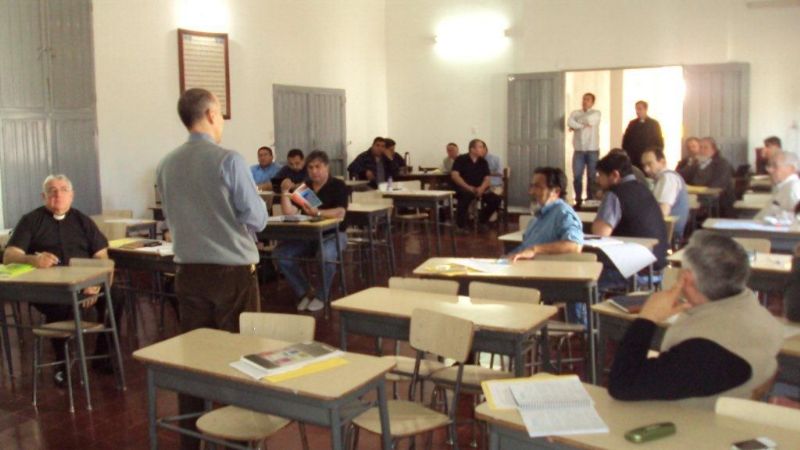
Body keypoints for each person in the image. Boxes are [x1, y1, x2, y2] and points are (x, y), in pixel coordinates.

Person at [157, 88, 267, 450]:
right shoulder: (228, 160)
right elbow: (257, 217)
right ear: (210, 114)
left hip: (188, 270)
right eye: (220, 114)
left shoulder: (167, 163)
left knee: (197, 355)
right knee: (242, 355)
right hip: (230, 272)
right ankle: (240, 433)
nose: (221, 121)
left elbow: (171, 216)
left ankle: (192, 435)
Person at [608, 231, 783, 409]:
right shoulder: (760, 313)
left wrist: (647, 318)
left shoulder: (704, 351)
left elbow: (622, 385)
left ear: (686, 278)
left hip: (692, 424)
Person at [3, 174, 117, 387]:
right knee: (61, 306)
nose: (58, 194)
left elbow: (102, 257)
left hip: (88, 285)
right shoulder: (30, 220)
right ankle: (62, 364)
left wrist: (97, 285)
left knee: (116, 298)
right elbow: (9, 256)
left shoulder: (83, 221)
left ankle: (103, 356)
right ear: (43, 196)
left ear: (72, 195)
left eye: (64, 189)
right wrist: (34, 259)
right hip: (50, 289)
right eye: (52, 190)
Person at [275, 150, 348, 312]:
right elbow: (289, 212)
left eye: (318, 167)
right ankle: (305, 292)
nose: (314, 171)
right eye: (310, 168)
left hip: (334, 234)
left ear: (326, 167)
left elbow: (340, 212)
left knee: (326, 255)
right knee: (281, 254)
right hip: (309, 235)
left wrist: (319, 213)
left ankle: (322, 295)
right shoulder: (305, 187)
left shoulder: (338, 185)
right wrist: (285, 193)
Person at [592, 151, 669, 291]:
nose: (597, 180)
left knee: (583, 278)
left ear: (614, 175)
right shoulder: (643, 189)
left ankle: (581, 314)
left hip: (633, 271)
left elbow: (600, 234)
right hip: (657, 267)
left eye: (600, 175)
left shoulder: (614, 194)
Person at [451, 139, 501, 232]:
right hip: (464, 188)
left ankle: (481, 221)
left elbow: (487, 179)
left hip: (479, 189)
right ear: (472, 149)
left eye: (483, 147)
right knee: (466, 196)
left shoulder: (483, 162)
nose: (483, 149)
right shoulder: (461, 159)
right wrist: (469, 187)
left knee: (496, 200)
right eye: (480, 147)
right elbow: (455, 176)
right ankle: (460, 225)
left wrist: (481, 188)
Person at [641, 147, 690, 240]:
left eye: (649, 164)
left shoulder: (667, 178)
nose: (646, 169)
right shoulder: (662, 178)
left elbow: (663, 212)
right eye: (644, 165)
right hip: (664, 229)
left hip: (669, 232)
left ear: (662, 162)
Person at [679, 137, 736, 217]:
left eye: (705, 148)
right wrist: (691, 164)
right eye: (700, 147)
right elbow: (681, 176)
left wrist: (700, 194)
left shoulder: (722, 164)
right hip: (697, 196)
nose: (702, 150)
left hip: (718, 201)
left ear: (714, 149)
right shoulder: (697, 163)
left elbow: (718, 184)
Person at [568, 93, 601, 206]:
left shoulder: (596, 113)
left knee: (592, 176)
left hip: (592, 149)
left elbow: (590, 120)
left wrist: (577, 124)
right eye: (584, 99)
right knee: (577, 176)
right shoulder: (575, 113)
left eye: (587, 99)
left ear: (592, 102)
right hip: (579, 150)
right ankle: (578, 200)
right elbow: (570, 122)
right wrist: (582, 125)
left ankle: (590, 200)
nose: (585, 101)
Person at [754, 150, 800, 221]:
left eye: (775, 166)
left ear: (791, 169)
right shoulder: (783, 187)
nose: (769, 170)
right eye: (769, 166)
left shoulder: (794, 188)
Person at [621, 100, 664, 172]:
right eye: (636, 109)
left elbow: (659, 141)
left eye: (640, 109)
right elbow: (626, 140)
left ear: (646, 109)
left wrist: (655, 155)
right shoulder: (632, 123)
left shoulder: (654, 124)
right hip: (634, 158)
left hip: (648, 157)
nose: (637, 111)